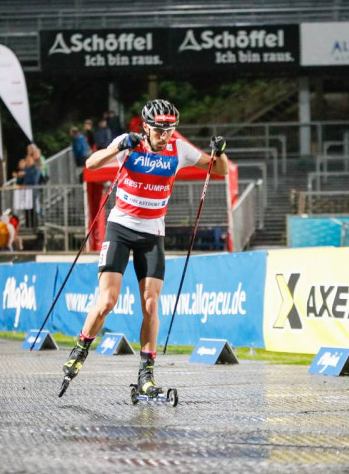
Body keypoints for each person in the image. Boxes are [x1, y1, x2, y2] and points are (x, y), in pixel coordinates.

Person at [61, 99, 229, 398]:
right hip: (121, 228)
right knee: (108, 300)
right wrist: (117, 147)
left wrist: (221, 152)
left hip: (152, 233)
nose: (166, 136)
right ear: (146, 127)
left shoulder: (179, 149)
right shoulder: (130, 143)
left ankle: (146, 374)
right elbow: (90, 163)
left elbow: (220, 170)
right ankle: (81, 348)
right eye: (160, 130)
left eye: (170, 130)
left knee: (151, 304)